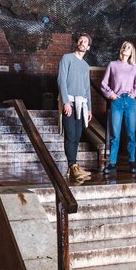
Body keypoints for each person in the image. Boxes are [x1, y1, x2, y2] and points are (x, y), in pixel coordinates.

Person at [101, 41, 136, 174]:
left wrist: (134, 94)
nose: (125, 48)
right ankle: (112, 163)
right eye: (124, 46)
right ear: (121, 49)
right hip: (117, 102)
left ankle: (132, 161)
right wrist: (111, 94)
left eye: (129, 47)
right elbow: (103, 83)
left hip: (130, 102)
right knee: (115, 134)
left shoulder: (134, 67)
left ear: (131, 52)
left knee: (131, 133)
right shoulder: (112, 65)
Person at [57, 33, 93, 180]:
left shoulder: (85, 66)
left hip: (82, 104)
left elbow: (87, 87)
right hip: (69, 102)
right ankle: (73, 165)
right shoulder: (67, 58)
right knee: (70, 134)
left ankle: (73, 167)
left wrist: (89, 108)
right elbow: (61, 80)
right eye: (80, 40)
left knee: (77, 136)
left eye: (85, 42)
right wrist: (65, 101)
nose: (82, 42)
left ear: (88, 47)